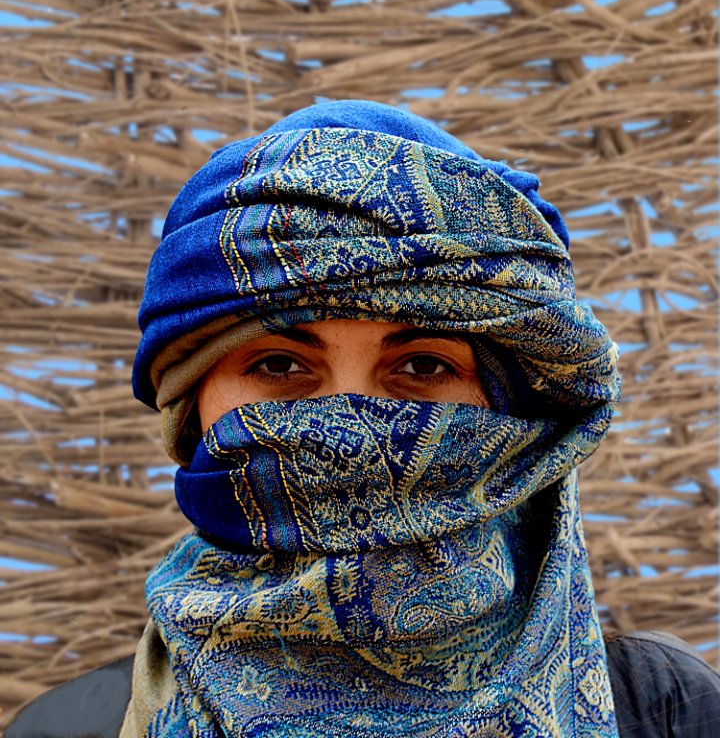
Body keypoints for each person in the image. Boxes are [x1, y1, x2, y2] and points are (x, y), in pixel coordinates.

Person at [6, 100, 720, 737]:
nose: (348, 421)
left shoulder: (665, 712)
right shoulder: (78, 727)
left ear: (509, 412)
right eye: (279, 366)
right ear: (192, 403)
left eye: (423, 368)